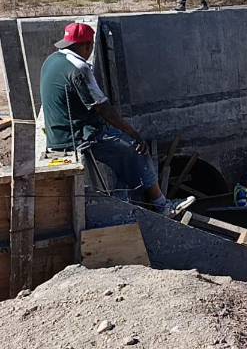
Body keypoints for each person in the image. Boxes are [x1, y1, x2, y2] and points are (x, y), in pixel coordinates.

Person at [39, 22, 193, 215]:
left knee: (122, 151)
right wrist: (134, 133)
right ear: (88, 46)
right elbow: (104, 109)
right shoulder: (79, 68)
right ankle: (162, 205)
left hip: (57, 134)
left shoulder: (51, 60)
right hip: (77, 138)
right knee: (135, 149)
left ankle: (133, 198)